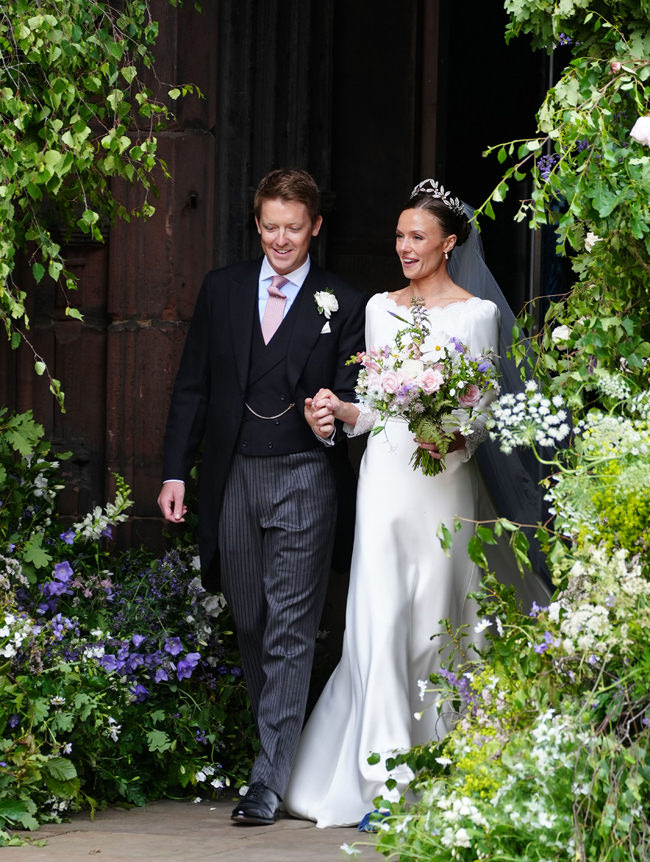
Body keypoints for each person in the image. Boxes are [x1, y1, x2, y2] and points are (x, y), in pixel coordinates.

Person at [283, 179, 549, 828]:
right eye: (399, 236)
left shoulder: (477, 316)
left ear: (449, 243)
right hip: (386, 482)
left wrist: (452, 435)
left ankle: (442, 766)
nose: (404, 247)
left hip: (444, 482)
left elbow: (482, 414)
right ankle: (383, 781)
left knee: (435, 625)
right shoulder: (379, 307)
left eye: (418, 237)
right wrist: (342, 410)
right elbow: (373, 404)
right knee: (379, 624)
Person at [157, 168, 368, 826]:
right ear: (257, 223)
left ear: (315, 227)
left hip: (305, 475)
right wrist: (173, 472)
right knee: (249, 617)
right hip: (235, 476)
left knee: (289, 630)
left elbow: (351, 400)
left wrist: (327, 415)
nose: (282, 239)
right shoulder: (222, 291)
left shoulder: (344, 301)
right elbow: (193, 386)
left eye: (294, 229)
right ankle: (284, 754)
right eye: (271, 227)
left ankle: (268, 782)